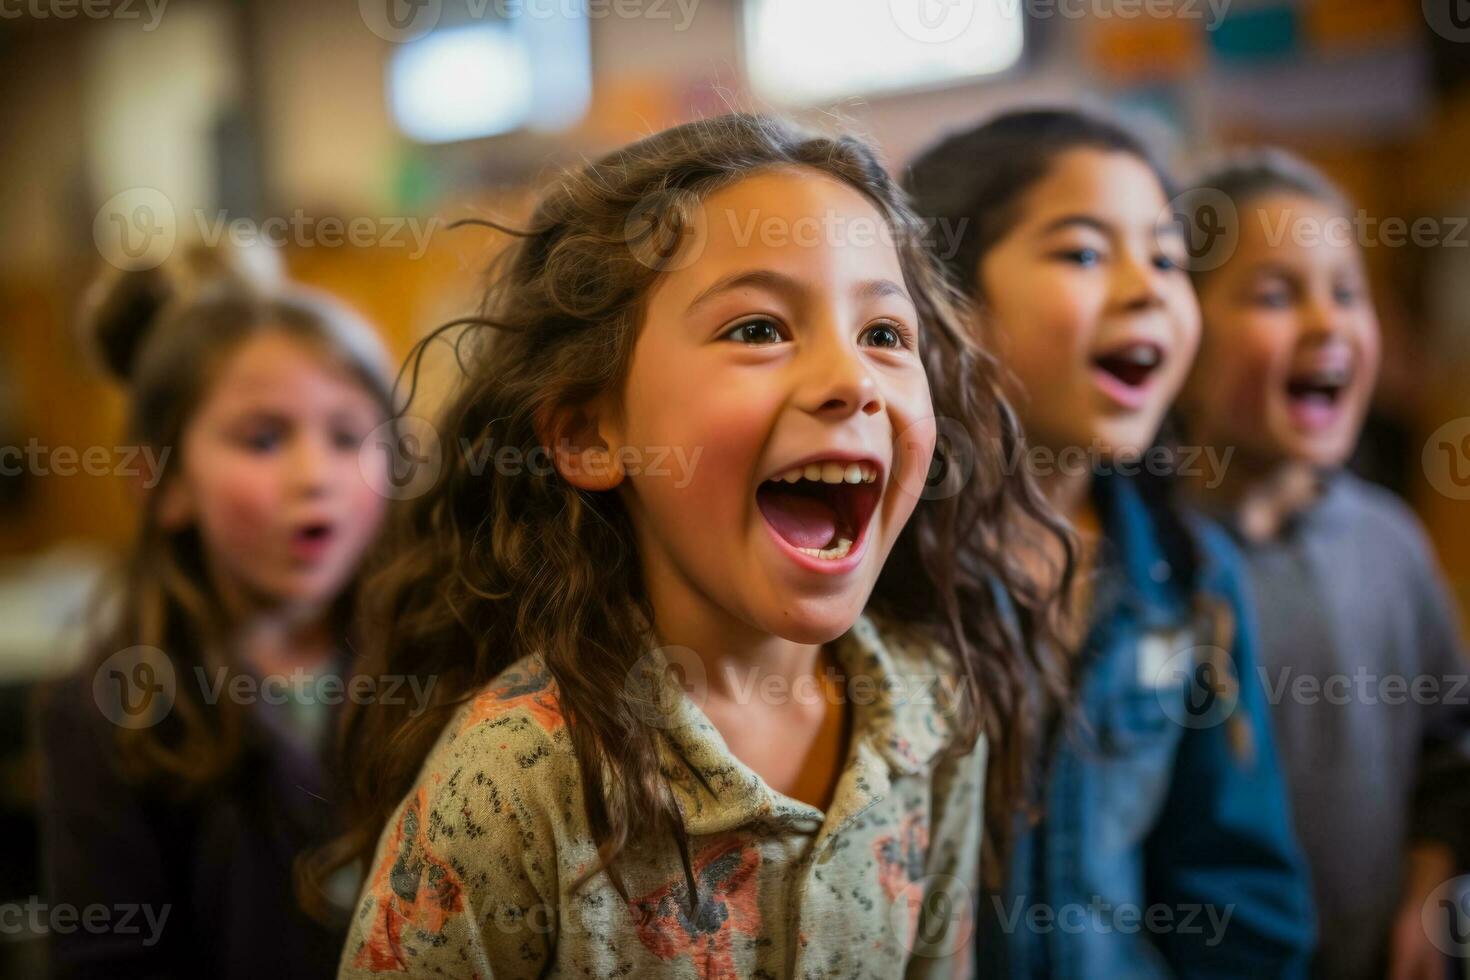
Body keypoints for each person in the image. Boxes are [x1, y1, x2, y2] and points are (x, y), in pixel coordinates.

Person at [319, 112, 1073, 978]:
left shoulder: (934, 711)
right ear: (590, 435)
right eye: (758, 329)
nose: (852, 381)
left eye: (884, 335)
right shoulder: (511, 781)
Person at [906, 108, 1315, 978]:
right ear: (949, 305)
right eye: (1085, 252)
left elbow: (1238, 890)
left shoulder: (1190, 580)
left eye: (1167, 258)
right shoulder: (873, 578)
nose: (1150, 289)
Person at [36, 243, 394, 978]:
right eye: (263, 438)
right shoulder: (108, 714)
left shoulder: (444, 657)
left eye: (348, 437)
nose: (315, 474)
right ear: (161, 481)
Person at [1176, 148, 1470, 980]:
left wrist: (1428, 890)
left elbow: (1449, 750)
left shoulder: (1389, 541)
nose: (1328, 324)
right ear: (1182, 335)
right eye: (1276, 294)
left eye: (1347, 291)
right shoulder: (1144, 568)